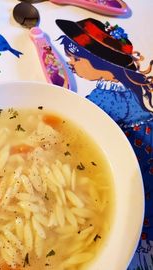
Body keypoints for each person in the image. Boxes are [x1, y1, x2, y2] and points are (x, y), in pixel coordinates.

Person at [56, 18, 153, 269]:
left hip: (135, 158)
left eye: (76, 59)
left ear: (99, 62)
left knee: (139, 217)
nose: (71, 64)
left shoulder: (105, 96)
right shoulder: (137, 86)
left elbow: (78, 126)